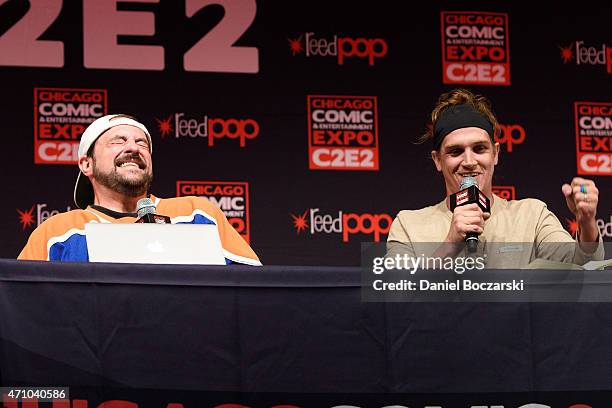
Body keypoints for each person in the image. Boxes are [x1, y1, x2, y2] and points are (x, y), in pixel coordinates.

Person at [386, 88, 604, 268]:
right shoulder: (409, 225)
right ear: (437, 160)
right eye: (455, 152)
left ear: (496, 154)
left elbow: (583, 267)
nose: (469, 161)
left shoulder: (531, 216)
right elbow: (396, 294)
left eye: (479, 149)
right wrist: (450, 245)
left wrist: (587, 224)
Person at [18, 114, 261, 266]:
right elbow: (24, 304)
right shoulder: (57, 232)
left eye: (141, 143)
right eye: (118, 141)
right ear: (87, 164)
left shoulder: (197, 213)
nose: (133, 148)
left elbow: (252, 288)